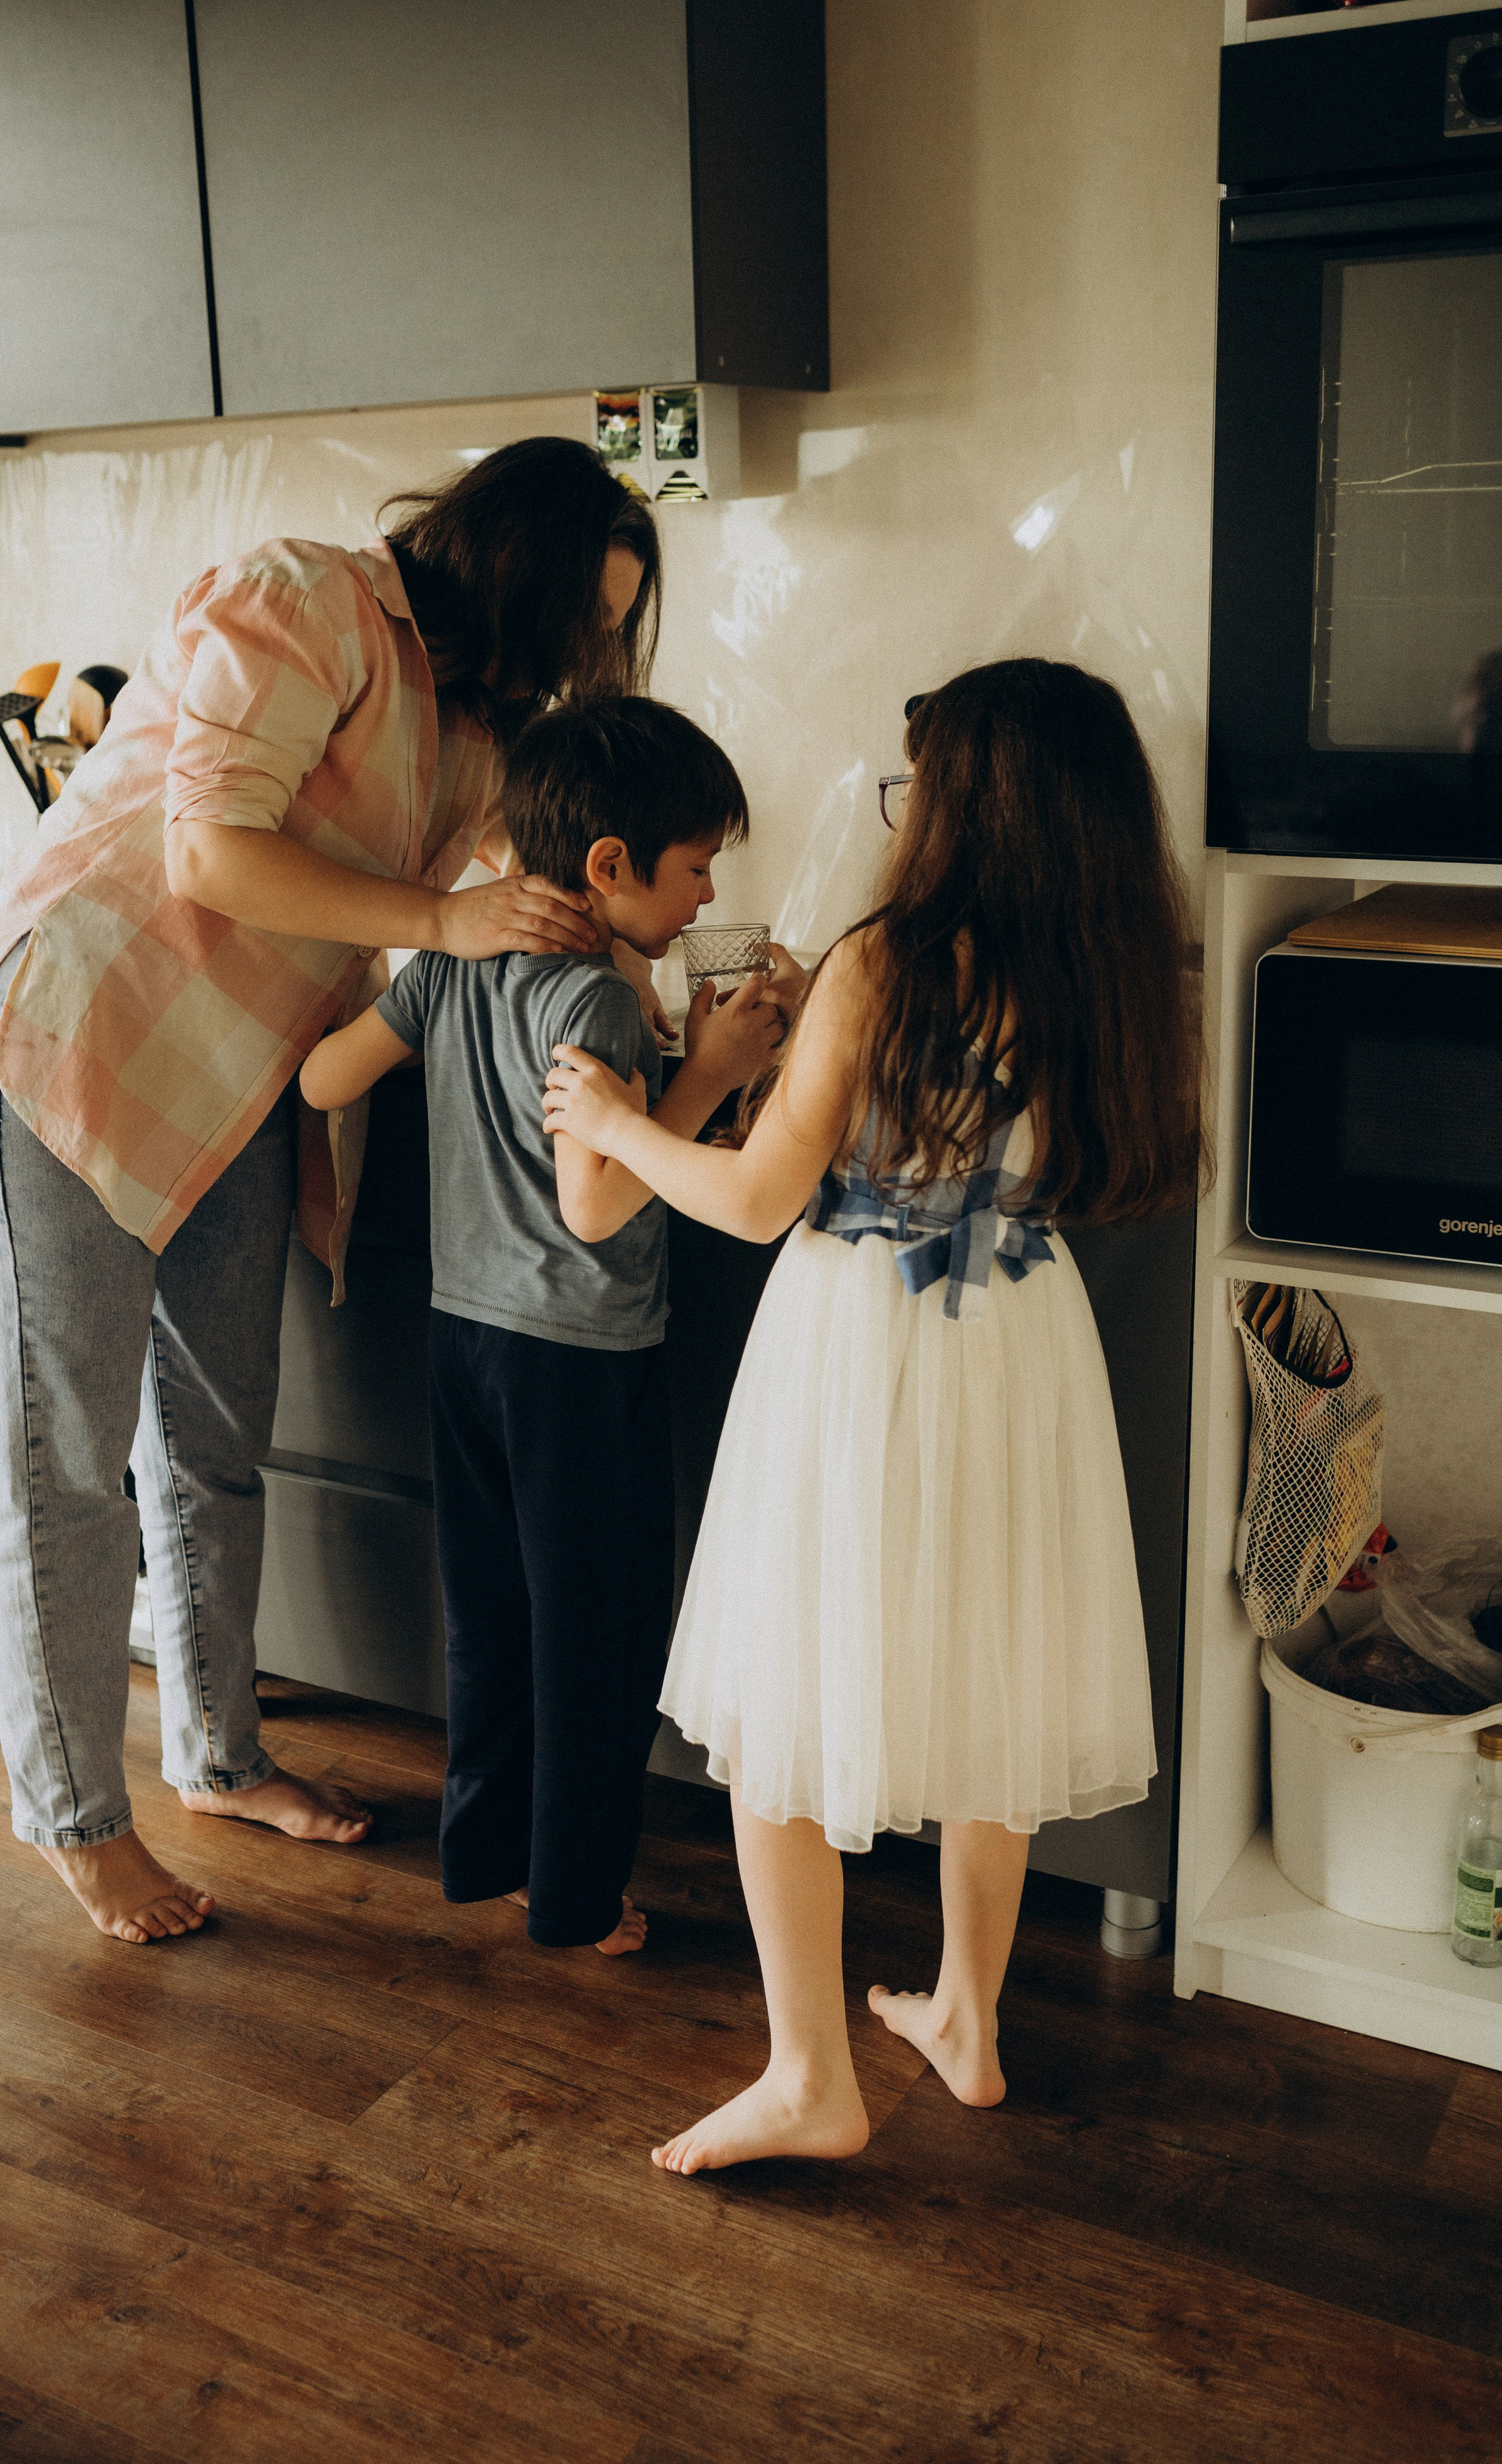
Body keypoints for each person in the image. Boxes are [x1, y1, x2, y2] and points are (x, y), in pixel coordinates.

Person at [0, 438, 662, 1946]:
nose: (592, 654)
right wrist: (442, 918)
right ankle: (77, 1822)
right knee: (62, 1462)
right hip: (72, 1044)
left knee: (212, 1447)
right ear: (514, 571)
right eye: (588, 620)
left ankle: (217, 1754)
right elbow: (211, 851)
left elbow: (494, 905)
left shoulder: (470, 733)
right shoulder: (308, 602)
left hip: (232, 1089)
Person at [541, 658, 1202, 2170]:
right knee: (996, 1675)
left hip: (863, 1337)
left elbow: (759, 1199)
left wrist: (616, 1120)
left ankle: (807, 2077)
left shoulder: (885, 961)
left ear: (966, 803)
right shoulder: (1112, 955)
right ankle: (964, 2019)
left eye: (919, 787)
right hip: (1024, 1339)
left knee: (779, 1697)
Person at [300, 697, 787, 1954]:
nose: (709, 890)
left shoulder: (455, 961)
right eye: (695, 867)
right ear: (612, 867)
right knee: (598, 1638)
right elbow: (596, 1199)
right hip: (578, 1359)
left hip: (463, 1340)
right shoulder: (600, 1008)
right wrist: (711, 1078)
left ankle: (492, 1858)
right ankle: (576, 1900)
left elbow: (323, 1078)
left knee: (497, 1617)